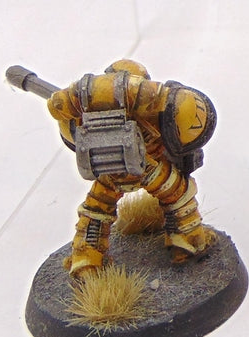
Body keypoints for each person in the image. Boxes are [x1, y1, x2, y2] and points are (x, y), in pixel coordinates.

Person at [43, 59, 219, 277]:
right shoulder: (143, 101)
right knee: (178, 197)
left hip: (121, 172)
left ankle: (86, 258)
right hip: (148, 169)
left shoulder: (144, 105)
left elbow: (61, 113)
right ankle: (187, 242)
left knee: (96, 210)